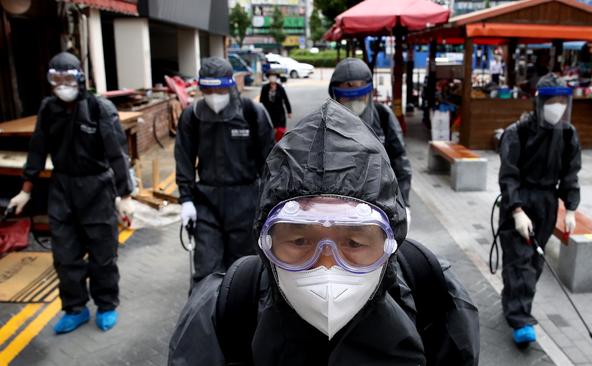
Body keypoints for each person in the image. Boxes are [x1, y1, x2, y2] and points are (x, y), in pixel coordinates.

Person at [168, 99, 479, 365]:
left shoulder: (433, 296)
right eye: (301, 240)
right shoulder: (226, 313)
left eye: (354, 242)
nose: (327, 267)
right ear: (265, 242)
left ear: (390, 243)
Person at [7, 51, 134, 334]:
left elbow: (117, 155)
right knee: (65, 256)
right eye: (57, 79)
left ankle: (106, 305)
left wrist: (125, 197)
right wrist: (25, 190)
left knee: (102, 255)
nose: (63, 84)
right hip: (62, 189)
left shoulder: (100, 109)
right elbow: (37, 149)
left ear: (80, 78)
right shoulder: (48, 109)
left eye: (68, 78)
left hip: (97, 188)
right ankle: (74, 308)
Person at [175, 57, 275, 285]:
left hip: (246, 201)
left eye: (219, 88)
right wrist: (186, 200)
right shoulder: (193, 116)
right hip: (207, 202)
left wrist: (271, 202)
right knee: (206, 270)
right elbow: (184, 159)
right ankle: (207, 318)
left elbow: (271, 162)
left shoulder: (251, 112)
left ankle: (244, 318)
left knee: (244, 269)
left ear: (230, 85)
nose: (214, 94)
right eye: (208, 89)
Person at [498, 73, 581, 346]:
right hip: (521, 201)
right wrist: (516, 210)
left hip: (547, 203)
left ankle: (514, 301)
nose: (557, 106)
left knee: (534, 262)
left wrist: (570, 208)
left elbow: (571, 173)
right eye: (552, 100)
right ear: (540, 102)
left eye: (562, 100)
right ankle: (521, 320)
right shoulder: (517, 133)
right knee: (519, 261)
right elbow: (508, 175)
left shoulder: (568, 135)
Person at [328, 58, 413, 230]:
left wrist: (404, 203)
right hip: (337, 210)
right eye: (347, 90)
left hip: (379, 208)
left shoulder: (382, 116)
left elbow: (400, 162)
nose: (354, 100)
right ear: (335, 94)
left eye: (359, 90)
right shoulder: (325, 122)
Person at [259, 70, 292, 142]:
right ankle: (271, 145)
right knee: (271, 130)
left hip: (280, 113)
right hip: (269, 113)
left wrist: (289, 111)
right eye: (271, 76)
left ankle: (279, 145)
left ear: (276, 78)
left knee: (280, 131)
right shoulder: (265, 88)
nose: (272, 78)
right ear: (268, 78)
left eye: (274, 76)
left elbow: (286, 100)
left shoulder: (280, 88)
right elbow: (261, 101)